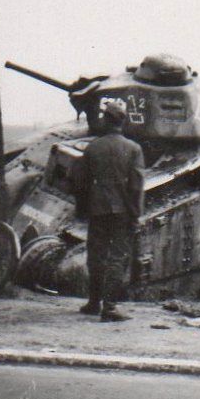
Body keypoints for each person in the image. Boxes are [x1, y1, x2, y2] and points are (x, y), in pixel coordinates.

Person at [71, 98, 145, 322]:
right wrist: (136, 214)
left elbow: (80, 181)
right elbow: (136, 185)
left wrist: (83, 208)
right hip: (122, 210)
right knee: (118, 257)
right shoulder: (134, 149)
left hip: (98, 208)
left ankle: (94, 302)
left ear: (106, 120)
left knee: (96, 255)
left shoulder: (94, 147)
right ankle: (110, 307)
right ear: (122, 122)